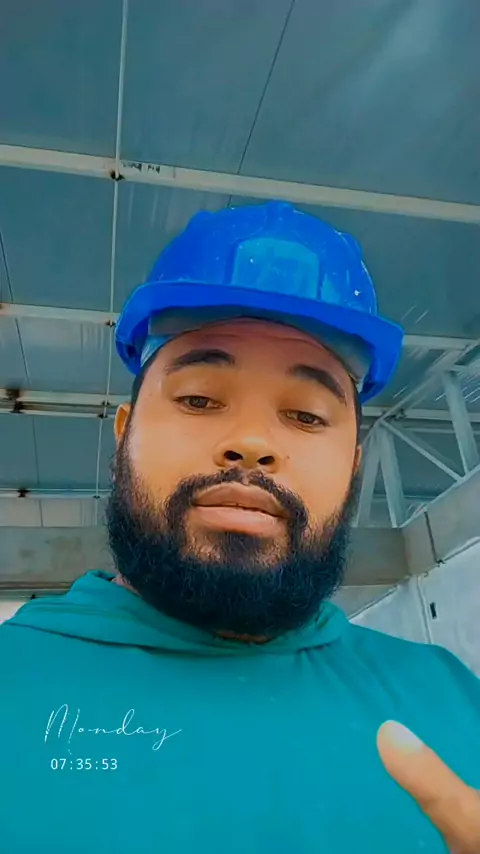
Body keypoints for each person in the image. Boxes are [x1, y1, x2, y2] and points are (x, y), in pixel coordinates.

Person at [0, 202, 478, 853]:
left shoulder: (451, 699)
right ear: (123, 439)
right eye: (199, 398)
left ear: (354, 466)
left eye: (306, 415)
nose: (251, 442)